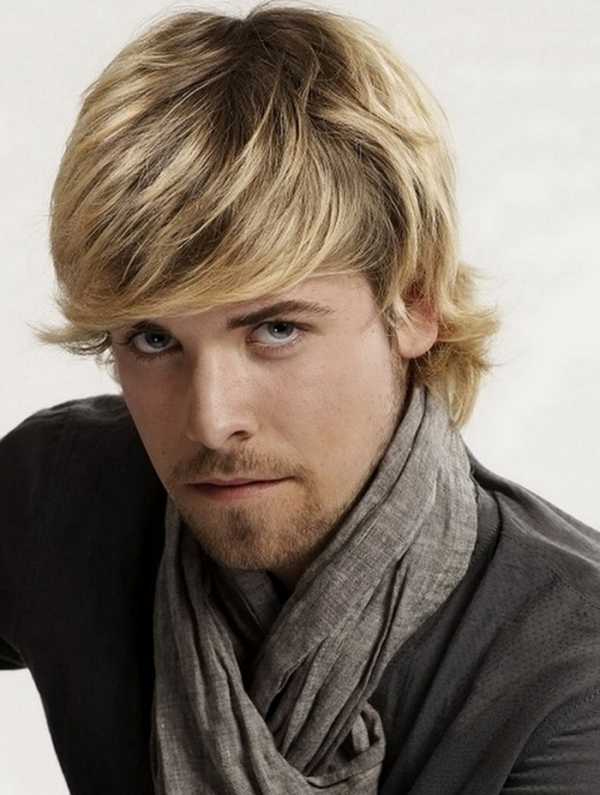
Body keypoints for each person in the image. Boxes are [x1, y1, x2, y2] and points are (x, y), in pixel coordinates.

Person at [2, 3, 599, 793]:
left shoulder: (573, 672)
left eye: (275, 329)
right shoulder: (60, 492)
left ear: (415, 302)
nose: (211, 419)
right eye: (153, 339)